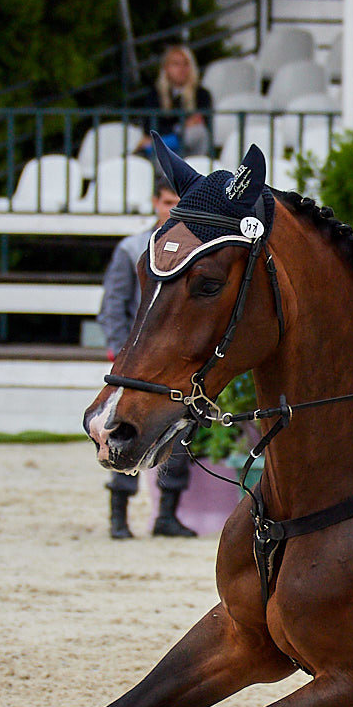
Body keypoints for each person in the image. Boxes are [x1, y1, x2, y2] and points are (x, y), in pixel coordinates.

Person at [97, 179, 197, 540]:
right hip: (135, 361)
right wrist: (120, 352)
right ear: (155, 202)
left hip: (174, 363)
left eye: (178, 202)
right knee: (121, 431)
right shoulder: (133, 248)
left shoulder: (197, 250)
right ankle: (119, 515)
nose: (171, 209)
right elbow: (113, 306)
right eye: (167, 201)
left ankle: (166, 515)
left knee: (182, 431)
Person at [141, 45, 213, 158]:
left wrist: (174, 131)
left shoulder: (202, 94)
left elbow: (203, 125)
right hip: (165, 154)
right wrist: (181, 127)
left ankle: (150, 148)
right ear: (166, 68)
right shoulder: (155, 94)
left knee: (197, 132)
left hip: (192, 151)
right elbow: (150, 127)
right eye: (176, 64)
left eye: (186, 64)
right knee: (161, 146)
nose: (182, 69)